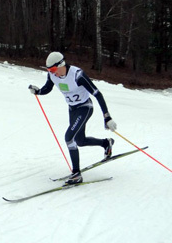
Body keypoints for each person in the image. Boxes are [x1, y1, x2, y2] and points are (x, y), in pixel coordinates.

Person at [29, 52, 117, 185]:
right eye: (49, 70)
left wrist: (107, 117)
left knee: (69, 137)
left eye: (53, 69)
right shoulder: (53, 75)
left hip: (85, 108)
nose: (52, 73)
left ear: (61, 64)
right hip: (72, 109)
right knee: (80, 141)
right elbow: (48, 87)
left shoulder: (77, 75)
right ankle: (106, 143)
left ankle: (76, 174)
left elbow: (98, 94)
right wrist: (38, 91)